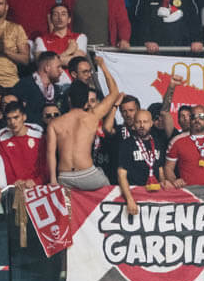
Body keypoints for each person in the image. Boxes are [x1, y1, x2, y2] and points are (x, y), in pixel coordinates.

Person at [46, 58, 120, 190]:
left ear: (69, 99)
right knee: (110, 193)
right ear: (86, 102)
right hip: (88, 175)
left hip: (64, 176)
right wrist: (102, 66)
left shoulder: (54, 124)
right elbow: (114, 92)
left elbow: (50, 153)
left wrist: (53, 180)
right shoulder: (92, 116)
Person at [117, 108, 170, 216]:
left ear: (151, 123)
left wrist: (163, 181)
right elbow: (121, 175)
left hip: (155, 196)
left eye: (145, 122)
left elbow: (160, 168)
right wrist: (129, 200)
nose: (142, 125)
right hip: (135, 195)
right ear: (134, 124)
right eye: (138, 122)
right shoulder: (127, 144)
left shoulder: (158, 143)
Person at [11, 52, 63, 128]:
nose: (61, 71)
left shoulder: (57, 90)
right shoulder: (23, 86)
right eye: (58, 67)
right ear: (47, 68)